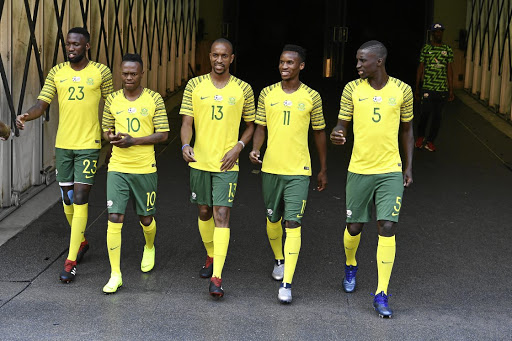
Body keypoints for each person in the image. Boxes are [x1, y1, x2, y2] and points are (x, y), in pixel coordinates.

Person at [16, 27, 113, 283]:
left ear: (87, 46)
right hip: (64, 145)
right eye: (68, 44)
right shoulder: (56, 72)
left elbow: (114, 105)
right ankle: (80, 241)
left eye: (76, 44)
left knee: (81, 196)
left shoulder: (101, 72)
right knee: (67, 199)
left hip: (89, 145)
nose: (71, 48)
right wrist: (27, 114)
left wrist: (110, 136)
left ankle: (70, 261)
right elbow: (42, 104)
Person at [330, 40, 414, 318]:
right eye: (357, 60)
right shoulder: (352, 89)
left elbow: (407, 131)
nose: (357, 65)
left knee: (387, 225)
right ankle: (351, 263)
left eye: (362, 60)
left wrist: (408, 167)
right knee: (354, 226)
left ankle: (381, 292)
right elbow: (341, 125)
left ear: (379, 61)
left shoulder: (402, 90)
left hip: (390, 169)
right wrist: (338, 134)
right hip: (360, 169)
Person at [249, 44, 327, 304]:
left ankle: (287, 283)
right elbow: (260, 126)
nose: (284, 66)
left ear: (301, 66)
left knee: (292, 223)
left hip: (298, 171)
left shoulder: (312, 96)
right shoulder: (267, 94)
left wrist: (323, 168)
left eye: (290, 63)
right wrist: (256, 149)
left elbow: (319, 133)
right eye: (282, 62)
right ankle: (279, 260)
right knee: (273, 220)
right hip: (271, 168)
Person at [179, 38, 255, 298]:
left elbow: (251, 124)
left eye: (224, 56)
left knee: (221, 214)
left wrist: (238, 148)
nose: (219, 60)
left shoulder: (243, 88)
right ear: (209, 57)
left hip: (227, 163)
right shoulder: (194, 85)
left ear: (232, 58)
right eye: (215, 55)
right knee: (204, 211)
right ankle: (211, 254)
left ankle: (217, 277)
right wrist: (185, 145)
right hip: (200, 160)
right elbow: (187, 122)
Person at [101, 53, 169, 294]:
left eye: (133, 74)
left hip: (144, 168)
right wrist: (110, 136)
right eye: (125, 73)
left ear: (142, 73)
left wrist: (134, 141)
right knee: (114, 218)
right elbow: (106, 128)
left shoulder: (154, 99)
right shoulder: (112, 100)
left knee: (145, 219)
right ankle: (115, 274)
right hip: (118, 167)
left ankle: (149, 246)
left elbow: (163, 134)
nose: (128, 78)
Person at [414, 22, 454, 152]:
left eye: (441, 31)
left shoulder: (447, 50)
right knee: (425, 113)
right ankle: (420, 137)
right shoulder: (426, 49)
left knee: (438, 117)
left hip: (441, 89)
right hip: (428, 87)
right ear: (432, 34)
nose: (438, 34)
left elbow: (449, 70)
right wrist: (417, 87)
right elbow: (421, 68)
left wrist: (451, 89)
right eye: (436, 32)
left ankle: (430, 141)